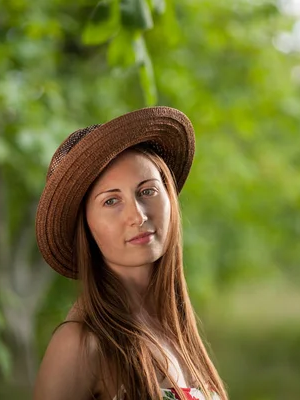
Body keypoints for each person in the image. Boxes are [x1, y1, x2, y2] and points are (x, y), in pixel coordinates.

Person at [33, 106, 227, 400]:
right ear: (86, 225)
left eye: (147, 191)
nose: (137, 215)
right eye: (111, 201)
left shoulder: (174, 330)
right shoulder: (81, 345)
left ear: (170, 197)